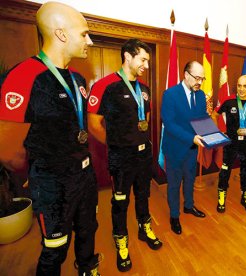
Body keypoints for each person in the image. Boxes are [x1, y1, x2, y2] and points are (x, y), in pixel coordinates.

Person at [0, 2, 100, 275]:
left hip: (85, 176)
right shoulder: (23, 77)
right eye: (84, 34)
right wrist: (40, 172)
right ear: (61, 34)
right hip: (53, 184)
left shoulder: (79, 79)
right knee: (55, 249)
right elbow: (7, 151)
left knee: (88, 231)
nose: (89, 41)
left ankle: (88, 268)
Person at [88, 39, 162, 272]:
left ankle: (144, 228)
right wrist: (115, 145)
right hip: (121, 159)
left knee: (143, 196)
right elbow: (93, 123)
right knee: (120, 202)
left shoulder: (145, 90)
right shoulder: (105, 86)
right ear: (127, 57)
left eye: (148, 61)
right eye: (143, 60)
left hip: (143, 156)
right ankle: (121, 242)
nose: (146, 66)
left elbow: (146, 120)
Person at [161, 61, 208, 235]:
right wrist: (191, 137)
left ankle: (189, 206)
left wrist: (211, 134)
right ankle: (174, 216)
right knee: (174, 184)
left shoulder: (201, 95)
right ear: (186, 75)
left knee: (190, 179)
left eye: (202, 79)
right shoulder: (170, 94)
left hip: (192, 148)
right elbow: (169, 124)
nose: (200, 82)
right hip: (174, 148)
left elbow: (202, 118)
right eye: (197, 78)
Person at [211, 75, 246, 213]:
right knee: (225, 171)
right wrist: (218, 132)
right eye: (239, 85)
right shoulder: (228, 100)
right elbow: (214, 115)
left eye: (245, 86)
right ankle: (221, 198)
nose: (241, 89)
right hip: (230, 143)